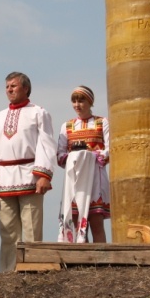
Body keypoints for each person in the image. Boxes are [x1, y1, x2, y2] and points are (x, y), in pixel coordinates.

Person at [0, 72, 58, 272]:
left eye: (14, 86)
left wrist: (44, 174)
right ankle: (8, 272)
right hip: (4, 179)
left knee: (32, 228)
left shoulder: (39, 113)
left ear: (26, 88)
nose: (9, 89)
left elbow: (47, 145)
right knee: (7, 231)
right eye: (7, 86)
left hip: (30, 175)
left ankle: (32, 270)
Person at [56, 86, 111, 243]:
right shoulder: (67, 126)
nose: (77, 105)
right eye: (74, 101)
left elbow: (110, 149)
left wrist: (90, 155)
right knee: (77, 224)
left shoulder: (102, 122)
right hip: (74, 179)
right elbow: (60, 155)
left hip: (95, 179)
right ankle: (80, 264)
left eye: (81, 100)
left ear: (90, 102)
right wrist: (75, 156)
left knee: (96, 224)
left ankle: (101, 264)